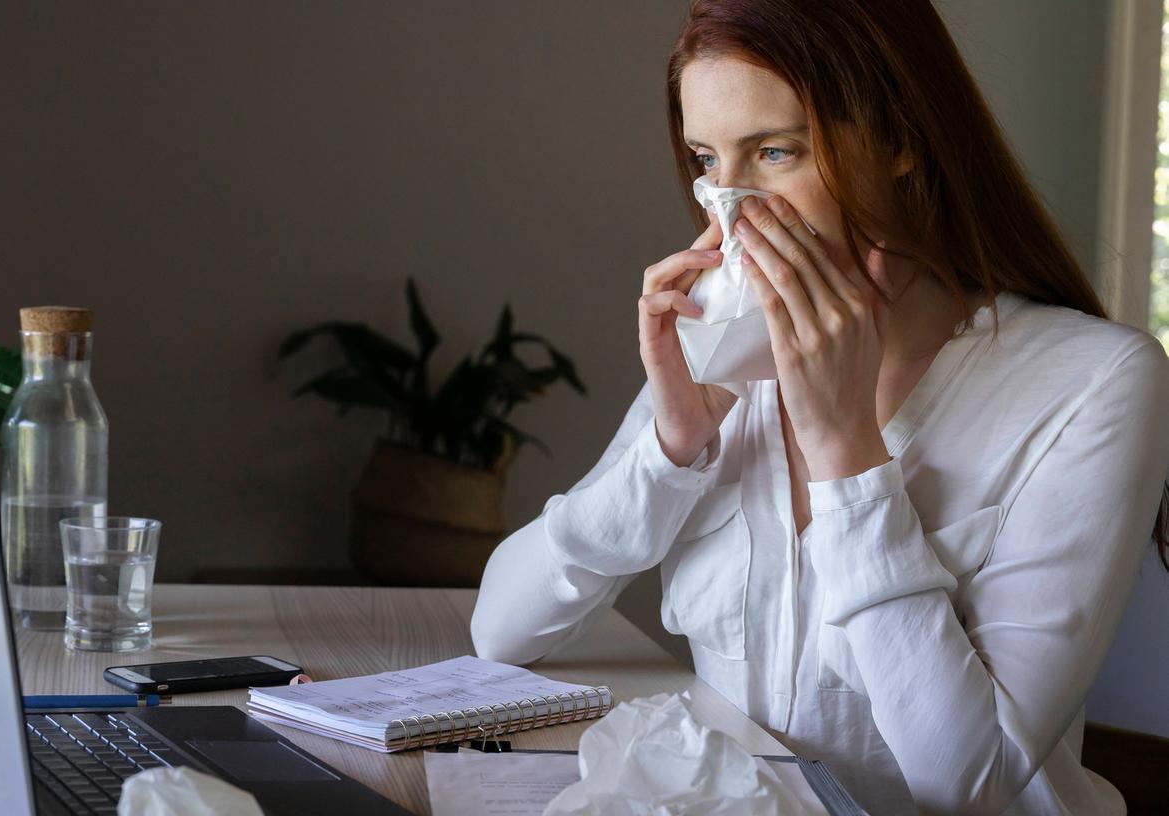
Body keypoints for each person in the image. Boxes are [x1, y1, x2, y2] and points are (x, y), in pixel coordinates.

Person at [470, 1, 1169, 814]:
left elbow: (963, 784)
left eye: (775, 151)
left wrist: (848, 454)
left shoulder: (1096, 380)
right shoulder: (732, 352)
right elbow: (502, 630)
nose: (729, 206)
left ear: (904, 136)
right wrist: (670, 449)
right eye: (707, 159)